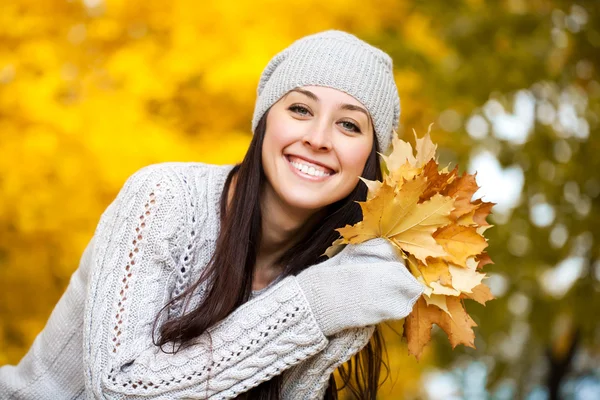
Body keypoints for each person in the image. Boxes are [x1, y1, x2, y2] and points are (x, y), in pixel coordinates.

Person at [0, 30, 423, 399]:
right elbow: (117, 386)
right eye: (300, 110)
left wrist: (334, 312)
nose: (317, 138)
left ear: (369, 158)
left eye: (349, 125)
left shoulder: (344, 274)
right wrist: (312, 305)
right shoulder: (165, 198)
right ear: (263, 123)